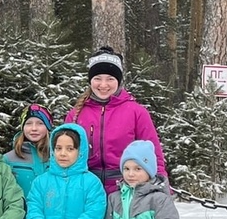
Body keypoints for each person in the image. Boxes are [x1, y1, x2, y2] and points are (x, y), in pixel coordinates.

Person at [64, 45, 167, 194]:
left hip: (127, 190)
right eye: (97, 78)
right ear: (90, 80)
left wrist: (160, 186)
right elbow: (63, 154)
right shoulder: (75, 115)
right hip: (85, 191)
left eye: (110, 79)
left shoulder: (136, 112)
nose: (103, 85)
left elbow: (153, 153)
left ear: (118, 81)